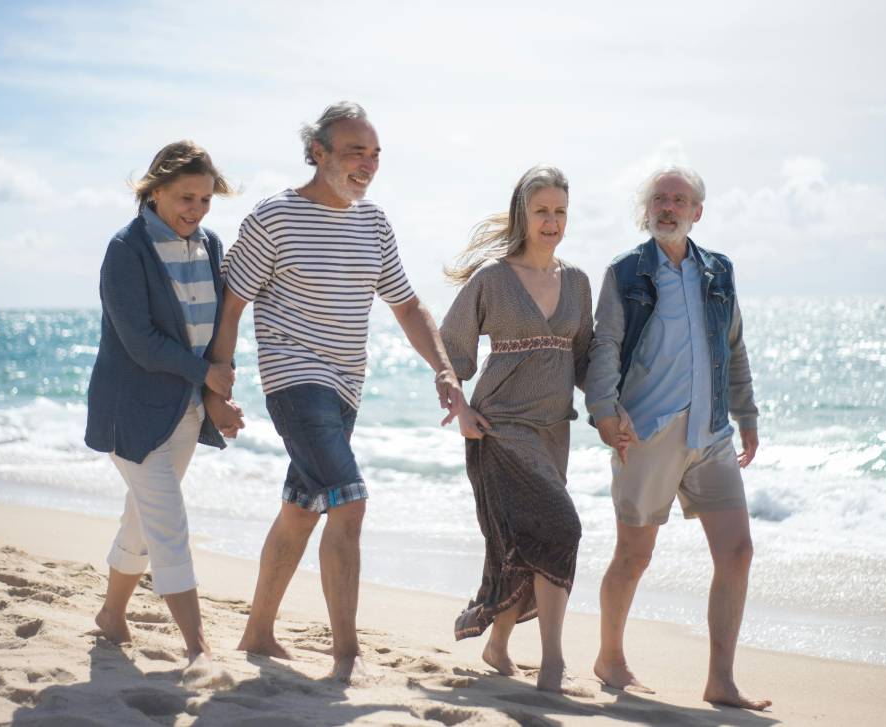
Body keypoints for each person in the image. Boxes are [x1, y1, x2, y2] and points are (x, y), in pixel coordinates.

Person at [208, 101, 463, 683]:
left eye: (374, 154)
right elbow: (231, 305)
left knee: (301, 510)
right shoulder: (273, 217)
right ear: (317, 153)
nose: (367, 165)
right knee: (350, 499)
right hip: (294, 382)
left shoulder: (373, 222)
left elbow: (406, 303)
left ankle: (257, 632)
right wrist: (217, 388)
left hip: (347, 387)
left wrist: (444, 371)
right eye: (355, 151)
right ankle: (347, 654)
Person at [584, 164, 770, 709]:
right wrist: (604, 413)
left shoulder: (719, 271)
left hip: (712, 434)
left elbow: (733, 347)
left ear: (696, 212)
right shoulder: (626, 272)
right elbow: (604, 348)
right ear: (648, 211)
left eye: (679, 199)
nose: (668, 207)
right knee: (633, 556)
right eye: (660, 199)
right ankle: (610, 658)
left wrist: (748, 416)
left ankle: (721, 680)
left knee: (737, 553)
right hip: (647, 434)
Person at [84, 140, 246, 671]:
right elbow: (141, 341)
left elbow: (212, 334)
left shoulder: (210, 245)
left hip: (185, 413)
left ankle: (112, 615)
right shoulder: (125, 249)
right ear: (154, 192)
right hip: (130, 413)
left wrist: (214, 398)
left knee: (144, 517)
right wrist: (209, 376)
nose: (194, 210)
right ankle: (198, 648)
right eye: (185, 198)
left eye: (204, 200)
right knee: (168, 521)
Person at [439, 165, 593, 692]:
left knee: (524, 544)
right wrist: (459, 407)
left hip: (554, 434)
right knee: (561, 528)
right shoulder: (493, 279)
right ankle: (553, 661)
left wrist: (617, 410)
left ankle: (498, 644)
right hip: (500, 431)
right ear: (522, 215)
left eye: (560, 212)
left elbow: (587, 360)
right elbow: (448, 348)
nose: (551, 222)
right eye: (542, 210)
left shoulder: (576, 282)